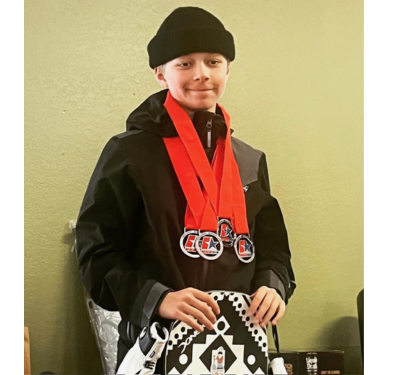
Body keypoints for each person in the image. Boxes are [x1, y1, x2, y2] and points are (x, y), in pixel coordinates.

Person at [75, 6, 296, 373]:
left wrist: (272, 285)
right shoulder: (129, 154)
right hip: (157, 348)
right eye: (185, 64)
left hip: (241, 349)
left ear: (228, 69)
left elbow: (272, 247)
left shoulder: (250, 161)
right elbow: (96, 254)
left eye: (213, 61)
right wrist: (156, 298)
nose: (201, 74)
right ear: (160, 72)